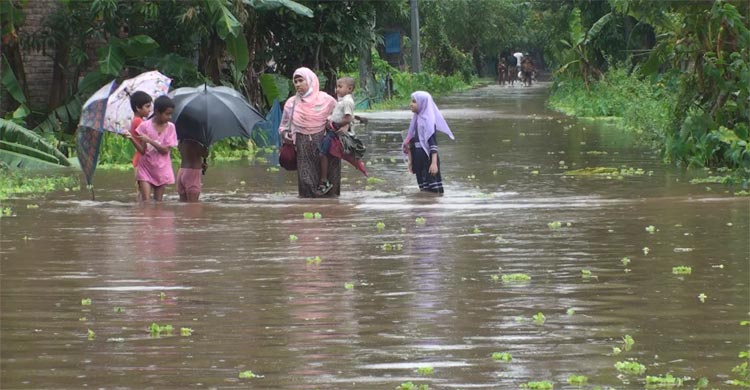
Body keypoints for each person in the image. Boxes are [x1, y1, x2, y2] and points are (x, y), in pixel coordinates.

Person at [278, 67, 337, 198]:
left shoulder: (327, 100)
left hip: (325, 143)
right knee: (306, 183)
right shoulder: (291, 103)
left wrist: (331, 122)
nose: (298, 84)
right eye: (295, 81)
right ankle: (306, 208)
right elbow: (283, 126)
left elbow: (340, 116)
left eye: (301, 80)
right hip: (302, 145)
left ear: (310, 81)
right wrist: (285, 135)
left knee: (330, 184)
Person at [402, 91, 454, 194]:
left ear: (423, 103)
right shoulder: (416, 120)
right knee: (423, 189)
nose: (410, 104)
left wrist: (434, 163)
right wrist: (411, 161)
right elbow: (412, 142)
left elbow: (433, 144)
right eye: (411, 101)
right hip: (418, 159)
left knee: (434, 189)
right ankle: (424, 208)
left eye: (414, 102)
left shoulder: (428, 122)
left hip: (428, 160)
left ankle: (433, 208)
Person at [129, 95, 177, 201]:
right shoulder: (144, 126)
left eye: (171, 114)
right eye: (167, 114)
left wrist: (149, 140)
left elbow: (165, 150)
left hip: (161, 169)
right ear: (157, 112)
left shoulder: (171, 128)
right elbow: (142, 151)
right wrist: (131, 138)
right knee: (145, 201)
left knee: (158, 201)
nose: (169, 117)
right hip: (145, 168)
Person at [316, 76, 356, 195]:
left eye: (340, 86)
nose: (337, 89)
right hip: (334, 130)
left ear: (349, 88)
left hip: (334, 132)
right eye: (337, 86)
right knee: (325, 153)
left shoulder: (347, 102)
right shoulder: (343, 101)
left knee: (322, 153)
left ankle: (324, 180)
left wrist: (334, 123)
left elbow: (349, 118)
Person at [125, 91, 153, 198]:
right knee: (144, 196)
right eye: (147, 106)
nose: (150, 110)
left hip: (140, 159)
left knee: (142, 194)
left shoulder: (139, 121)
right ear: (138, 108)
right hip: (141, 160)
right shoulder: (139, 122)